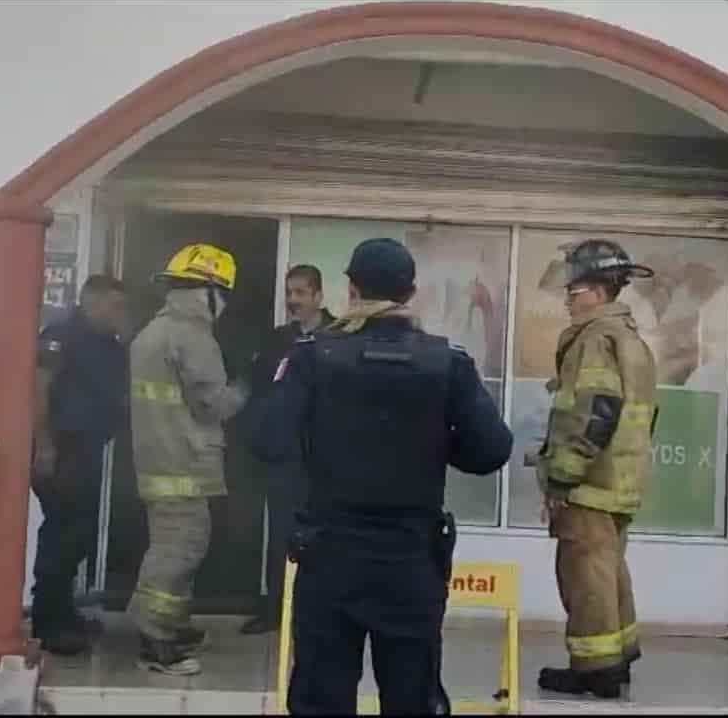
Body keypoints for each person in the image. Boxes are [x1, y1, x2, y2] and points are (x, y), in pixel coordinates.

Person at [253, 237, 513, 715]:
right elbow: (491, 451)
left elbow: (269, 440)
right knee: (412, 698)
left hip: (330, 556)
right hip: (410, 560)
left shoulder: (311, 356)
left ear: (351, 290)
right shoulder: (447, 362)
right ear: (410, 293)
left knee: (321, 699)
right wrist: (434, 443)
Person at [528, 239, 658, 699]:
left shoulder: (595, 338)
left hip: (590, 483)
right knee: (608, 570)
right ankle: (618, 656)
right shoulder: (629, 338)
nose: (567, 298)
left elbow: (594, 411)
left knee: (584, 574)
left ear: (600, 291)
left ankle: (595, 670)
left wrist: (562, 475)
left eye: (574, 289)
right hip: (617, 480)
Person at [127, 243, 249, 676]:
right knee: (178, 552)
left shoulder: (154, 331)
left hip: (162, 460)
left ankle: (173, 625)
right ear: (207, 291)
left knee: (176, 547)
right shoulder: (192, 336)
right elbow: (212, 404)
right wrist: (247, 386)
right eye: (223, 294)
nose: (224, 304)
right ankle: (155, 641)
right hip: (184, 463)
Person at [30, 275, 129, 655]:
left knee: (80, 534)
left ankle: (65, 613)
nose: (120, 313)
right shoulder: (61, 335)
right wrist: (44, 445)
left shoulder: (108, 343)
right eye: (115, 306)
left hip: (87, 448)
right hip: (61, 447)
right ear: (92, 302)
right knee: (62, 534)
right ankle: (48, 623)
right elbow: (40, 388)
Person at [240, 264, 336, 635]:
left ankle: (318, 609)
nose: (293, 300)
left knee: (325, 533)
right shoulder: (277, 340)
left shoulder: (340, 336)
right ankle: (276, 608)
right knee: (281, 532)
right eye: (289, 293)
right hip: (284, 454)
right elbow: (259, 391)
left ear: (318, 296)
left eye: (300, 293)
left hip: (326, 456)